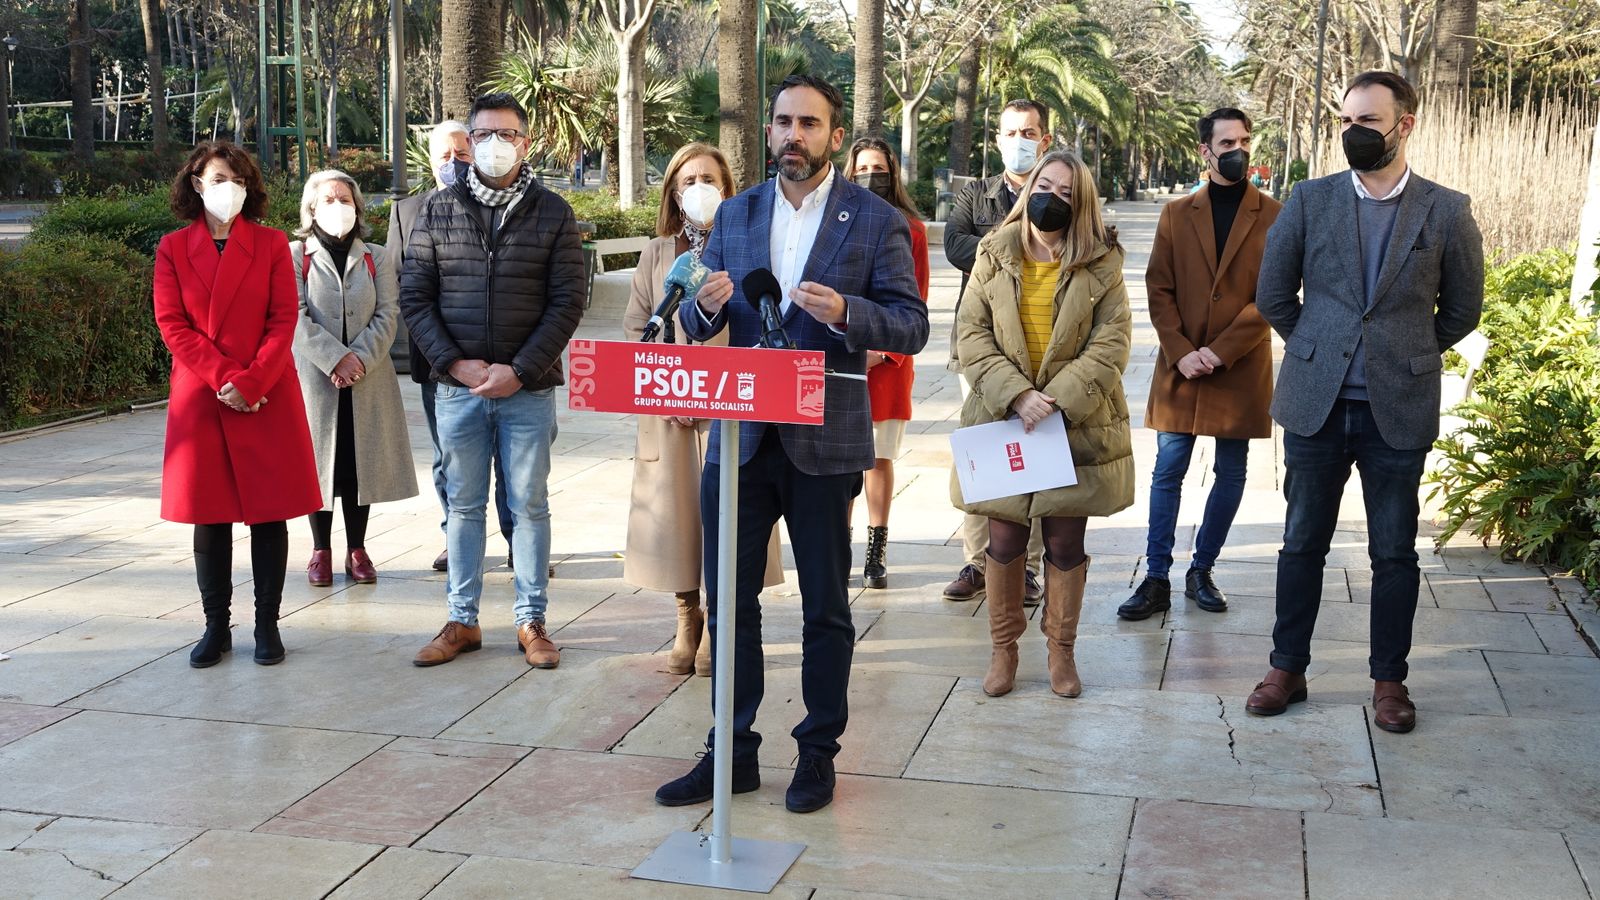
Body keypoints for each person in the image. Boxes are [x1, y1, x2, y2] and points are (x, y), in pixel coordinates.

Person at [654, 75, 929, 814]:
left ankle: (817, 753)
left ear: (834, 136)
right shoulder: (735, 215)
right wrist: (705, 312)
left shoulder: (873, 220)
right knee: (729, 604)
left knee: (825, 608)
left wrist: (849, 312)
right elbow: (711, 325)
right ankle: (731, 752)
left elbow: (911, 325)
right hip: (739, 442)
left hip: (824, 439)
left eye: (809, 123)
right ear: (768, 132)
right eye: (782, 122)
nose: (793, 135)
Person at [1247, 71, 1484, 733]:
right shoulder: (1309, 199)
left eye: (1368, 123)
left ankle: (1389, 683)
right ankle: (1286, 668)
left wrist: (1400, 351)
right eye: (1346, 121)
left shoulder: (1446, 210)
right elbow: (1273, 296)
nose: (1353, 133)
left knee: (1394, 553)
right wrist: (1322, 347)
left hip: (1396, 408)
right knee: (1301, 545)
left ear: (1404, 125)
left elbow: (1463, 309)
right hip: (1317, 405)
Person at [399, 92, 587, 669]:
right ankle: (462, 620)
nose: (494, 145)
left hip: (527, 391)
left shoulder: (554, 213)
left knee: (528, 505)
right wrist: (455, 364)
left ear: (526, 143)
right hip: (457, 388)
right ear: (469, 142)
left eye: (507, 135)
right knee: (463, 505)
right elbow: (415, 296)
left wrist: (520, 370)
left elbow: (567, 301)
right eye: (483, 135)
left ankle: (532, 621)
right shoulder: (437, 209)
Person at [953, 149, 1133, 700]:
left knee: (1063, 538)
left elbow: (1113, 342)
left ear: (1080, 206)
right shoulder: (992, 252)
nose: (1050, 197)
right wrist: (1016, 395)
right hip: (1004, 417)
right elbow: (972, 333)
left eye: (1065, 193)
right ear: (1028, 187)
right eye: (1044, 185)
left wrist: (1053, 400)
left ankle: (1061, 651)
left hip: (1070, 422)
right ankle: (1003, 650)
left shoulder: (1102, 262)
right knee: (1003, 537)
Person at [152, 141, 323, 668]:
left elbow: (282, 320)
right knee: (212, 516)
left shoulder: (272, 245)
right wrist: (226, 377)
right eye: (217, 178)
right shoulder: (173, 248)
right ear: (196, 184)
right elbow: (172, 323)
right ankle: (214, 627)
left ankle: (267, 624)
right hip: (204, 394)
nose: (228, 187)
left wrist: (251, 382)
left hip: (265, 391)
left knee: (269, 514)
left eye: (237, 179)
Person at [621, 141, 783, 677]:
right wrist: (670, 390)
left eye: (708, 178)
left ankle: (720, 620)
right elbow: (636, 329)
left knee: (730, 522)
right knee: (678, 521)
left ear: (728, 188)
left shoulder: (749, 248)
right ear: (672, 191)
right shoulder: (657, 253)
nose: (698, 189)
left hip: (730, 412)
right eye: (687, 180)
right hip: (668, 413)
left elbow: (761, 325)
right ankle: (686, 615)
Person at [1119, 108, 1282, 621]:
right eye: (1226, 142)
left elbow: (1275, 293)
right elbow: (1158, 286)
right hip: (1181, 363)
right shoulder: (1176, 213)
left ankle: (1202, 569)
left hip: (1239, 366)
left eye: (1244, 140)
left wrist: (1222, 350)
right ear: (1205, 150)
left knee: (1232, 471)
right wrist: (1182, 349)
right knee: (1168, 469)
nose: (1238, 150)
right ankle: (1156, 577)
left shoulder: (1275, 214)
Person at [391, 121, 516, 575]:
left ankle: (516, 540)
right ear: (429, 160)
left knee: (510, 458)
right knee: (448, 457)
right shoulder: (407, 212)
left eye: (461, 154)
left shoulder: (511, 204)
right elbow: (403, 287)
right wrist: (448, 354)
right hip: (439, 363)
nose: (453, 163)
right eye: (443, 156)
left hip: (506, 360)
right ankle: (456, 539)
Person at [941, 99, 1050, 605]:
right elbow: (954, 245)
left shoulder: (1060, 192)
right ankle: (977, 560)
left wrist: (992, 247)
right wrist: (1013, 243)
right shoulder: (976, 194)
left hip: (1041, 342)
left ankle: (1026, 567)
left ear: (1045, 139)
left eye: (1029, 132)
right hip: (979, 340)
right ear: (997, 139)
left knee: (1033, 452)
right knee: (980, 448)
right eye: (1011, 132)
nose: (1020, 140)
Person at [291, 169, 418, 586]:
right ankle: (320, 550)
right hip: (316, 380)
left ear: (358, 207)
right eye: (328, 200)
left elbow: (388, 313)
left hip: (367, 380)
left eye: (344, 199)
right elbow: (293, 316)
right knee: (318, 465)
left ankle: (358, 549)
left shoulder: (376, 256)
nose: (337, 207)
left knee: (358, 464)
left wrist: (358, 360)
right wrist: (333, 360)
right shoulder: (295, 255)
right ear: (311, 208)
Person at [844, 136, 930, 589]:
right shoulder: (835, 222)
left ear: (893, 173)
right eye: (862, 169)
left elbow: (916, 300)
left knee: (877, 458)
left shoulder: (911, 230)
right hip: (840, 360)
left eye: (878, 169)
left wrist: (883, 352)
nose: (870, 177)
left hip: (887, 367)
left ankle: (876, 550)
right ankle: (838, 544)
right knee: (839, 462)